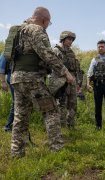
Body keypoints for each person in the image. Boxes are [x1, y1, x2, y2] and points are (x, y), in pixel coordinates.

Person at [10, 7, 74, 158]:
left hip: (16, 78)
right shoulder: (36, 30)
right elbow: (47, 54)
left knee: (20, 116)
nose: (47, 26)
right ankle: (56, 148)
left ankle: (16, 153)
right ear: (44, 20)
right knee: (51, 110)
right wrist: (65, 72)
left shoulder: (18, 31)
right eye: (48, 23)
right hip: (31, 78)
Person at [48, 31, 78, 128]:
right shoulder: (56, 50)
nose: (71, 42)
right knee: (61, 104)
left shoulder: (71, 52)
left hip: (72, 81)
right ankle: (61, 127)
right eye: (69, 39)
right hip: (60, 82)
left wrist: (77, 81)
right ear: (63, 39)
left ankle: (71, 125)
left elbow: (76, 67)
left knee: (73, 104)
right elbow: (53, 67)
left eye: (72, 40)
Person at [0, 53, 14, 132]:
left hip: (21, 80)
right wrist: (3, 82)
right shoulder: (7, 51)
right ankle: (8, 126)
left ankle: (14, 125)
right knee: (16, 103)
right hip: (12, 80)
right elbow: (1, 68)